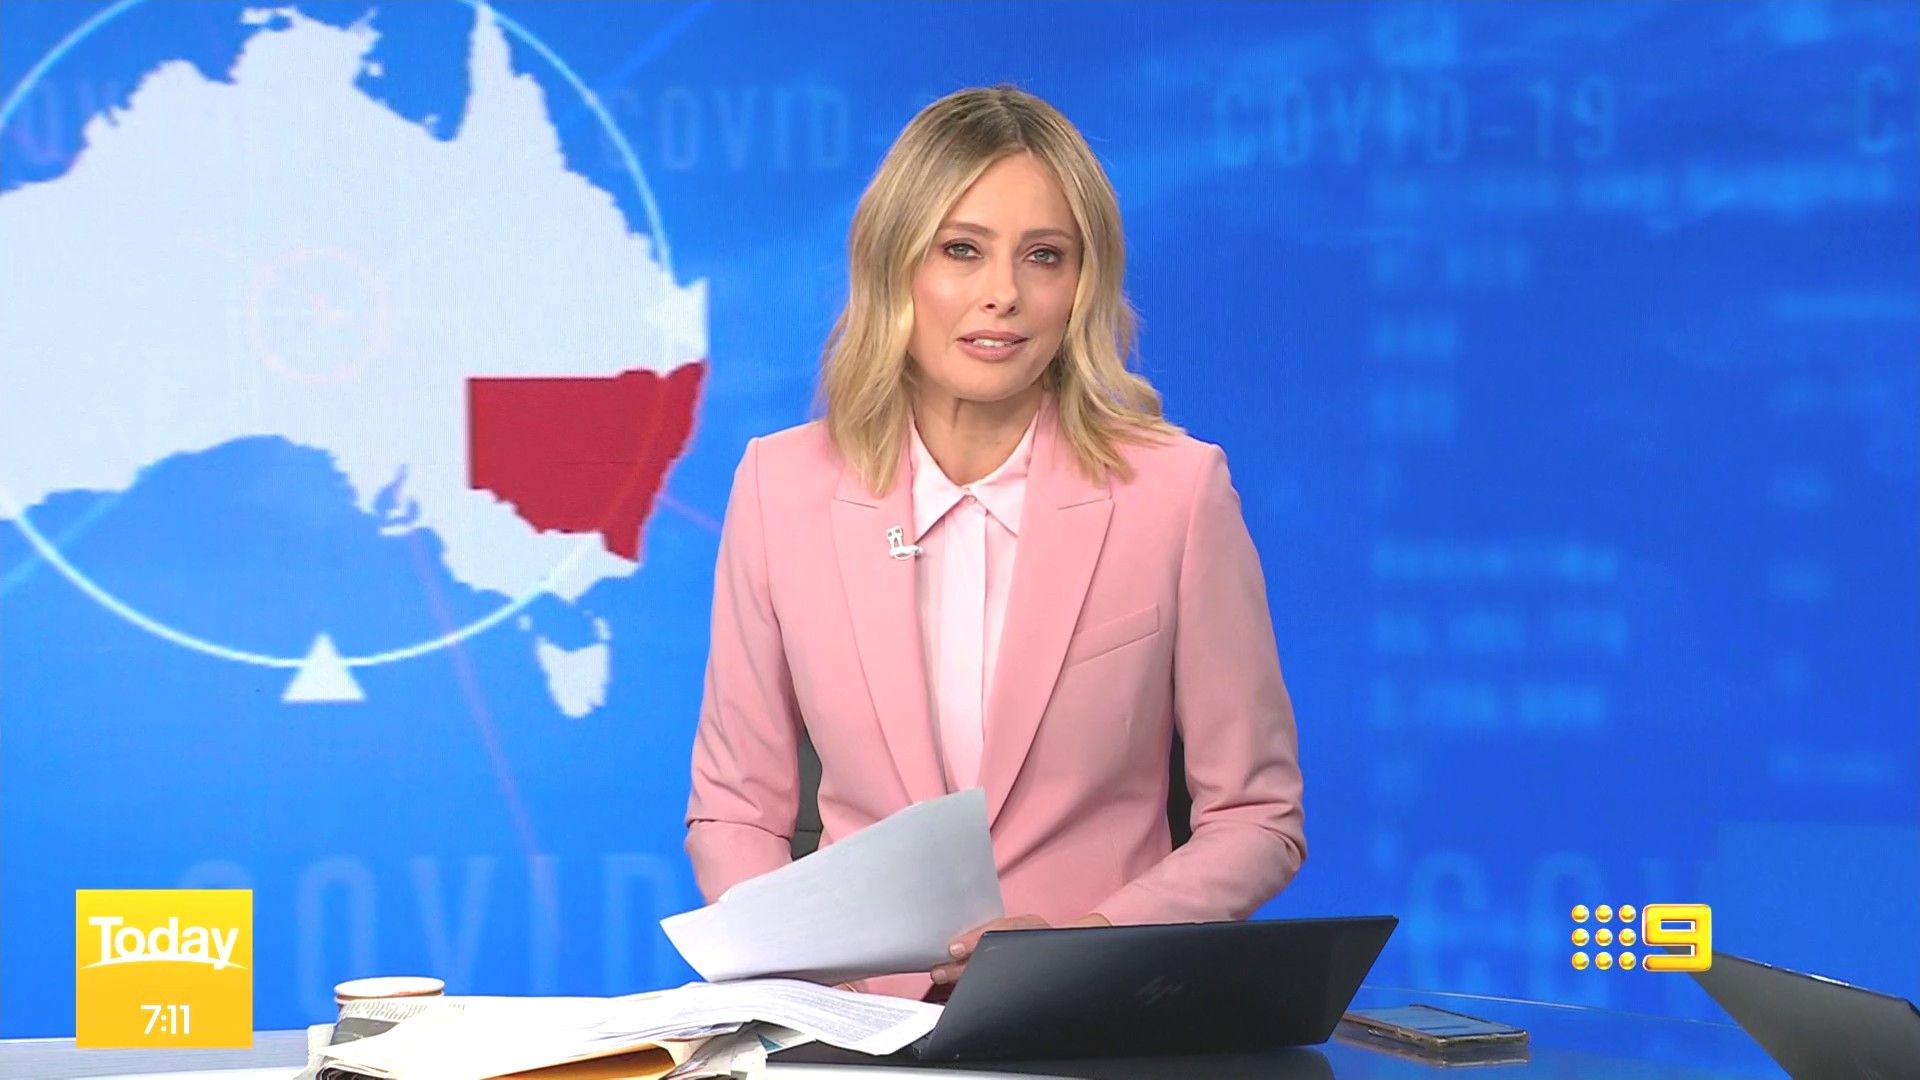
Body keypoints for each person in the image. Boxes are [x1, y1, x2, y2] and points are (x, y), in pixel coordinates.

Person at [684, 84, 1304, 1000]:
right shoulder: (781, 487)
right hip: (855, 1026)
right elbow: (734, 811)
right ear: (896, 265)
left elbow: (1257, 818)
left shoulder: (1175, 493)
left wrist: (1084, 946)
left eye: (1044, 256)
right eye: (962, 250)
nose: (1003, 295)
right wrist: (806, 979)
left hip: (1087, 1017)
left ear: (1081, 285)